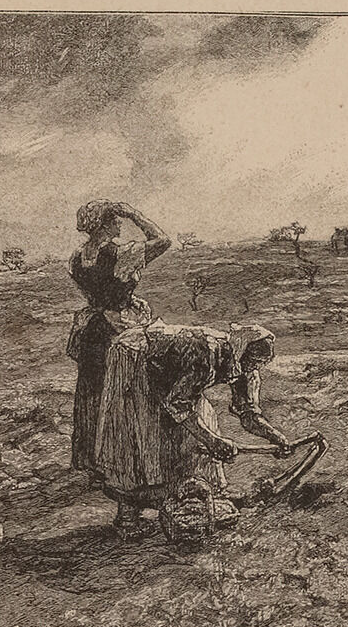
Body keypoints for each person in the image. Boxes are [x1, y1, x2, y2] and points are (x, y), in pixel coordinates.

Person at [93, 321, 293, 530]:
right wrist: (212, 441)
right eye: (252, 361)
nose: (254, 367)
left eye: (261, 363)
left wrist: (275, 437)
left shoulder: (247, 370)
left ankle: (197, 502)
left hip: (175, 379)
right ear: (241, 351)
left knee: (200, 428)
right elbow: (178, 403)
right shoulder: (206, 354)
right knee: (142, 433)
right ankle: (127, 518)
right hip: (136, 357)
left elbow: (248, 413)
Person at [66, 200, 172, 477]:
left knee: (93, 392)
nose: (120, 223)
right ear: (103, 225)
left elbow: (95, 296)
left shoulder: (77, 257)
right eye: (116, 219)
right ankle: (121, 463)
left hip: (92, 331)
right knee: (124, 392)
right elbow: (163, 240)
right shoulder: (120, 254)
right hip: (119, 331)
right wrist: (135, 214)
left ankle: (90, 462)